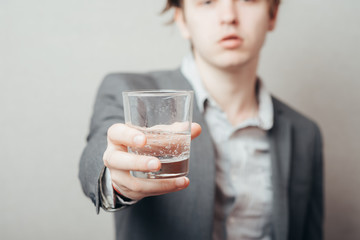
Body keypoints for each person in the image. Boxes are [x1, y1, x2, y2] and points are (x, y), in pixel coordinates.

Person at [79, 0, 324, 239]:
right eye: (207, 2)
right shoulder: (130, 93)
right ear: (181, 19)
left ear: (273, 14)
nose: (229, 16)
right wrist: (117, 178)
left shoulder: (305, 133)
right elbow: (98, 153)